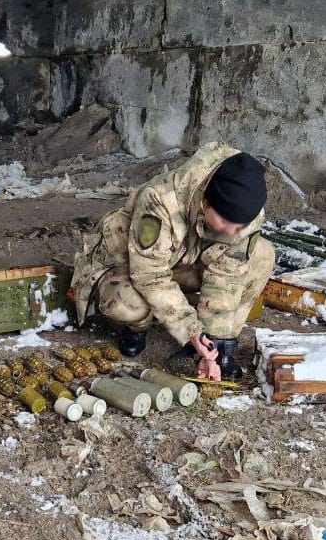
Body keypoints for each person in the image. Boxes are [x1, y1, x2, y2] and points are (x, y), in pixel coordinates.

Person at [71, 142, 275, 380]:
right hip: (134, 266)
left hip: (185, 264)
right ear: (205, 201)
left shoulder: (246, 213)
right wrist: (191, 330)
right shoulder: (159, 200)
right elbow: (150, 275)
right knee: (125, 303)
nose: (232, 232)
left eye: (239, 226)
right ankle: (138, 327)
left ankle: (220, 347)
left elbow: (226, 279)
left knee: (262, 254)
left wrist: (210, 347)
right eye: (225, 221)